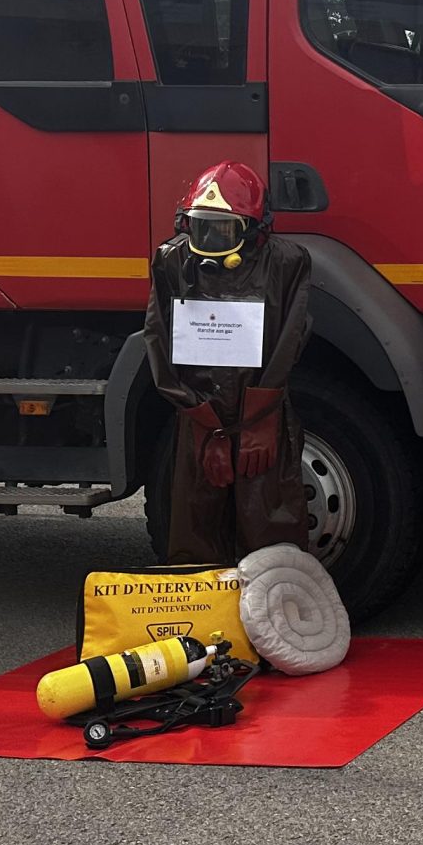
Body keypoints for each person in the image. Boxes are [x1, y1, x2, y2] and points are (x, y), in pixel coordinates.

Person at [144, 163, 313, 563]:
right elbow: (158, 336)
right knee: (196, 520)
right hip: (200, 413)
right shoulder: (173, 260)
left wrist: (260, 418)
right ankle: (204, 611)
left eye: (224, 230)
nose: (211, 241)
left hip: (260, 413)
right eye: (202, 228)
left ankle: (275, 611)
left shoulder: (286, 262)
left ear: (254, 229)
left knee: (269, 517)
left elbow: (289, 339)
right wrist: (205, 424)